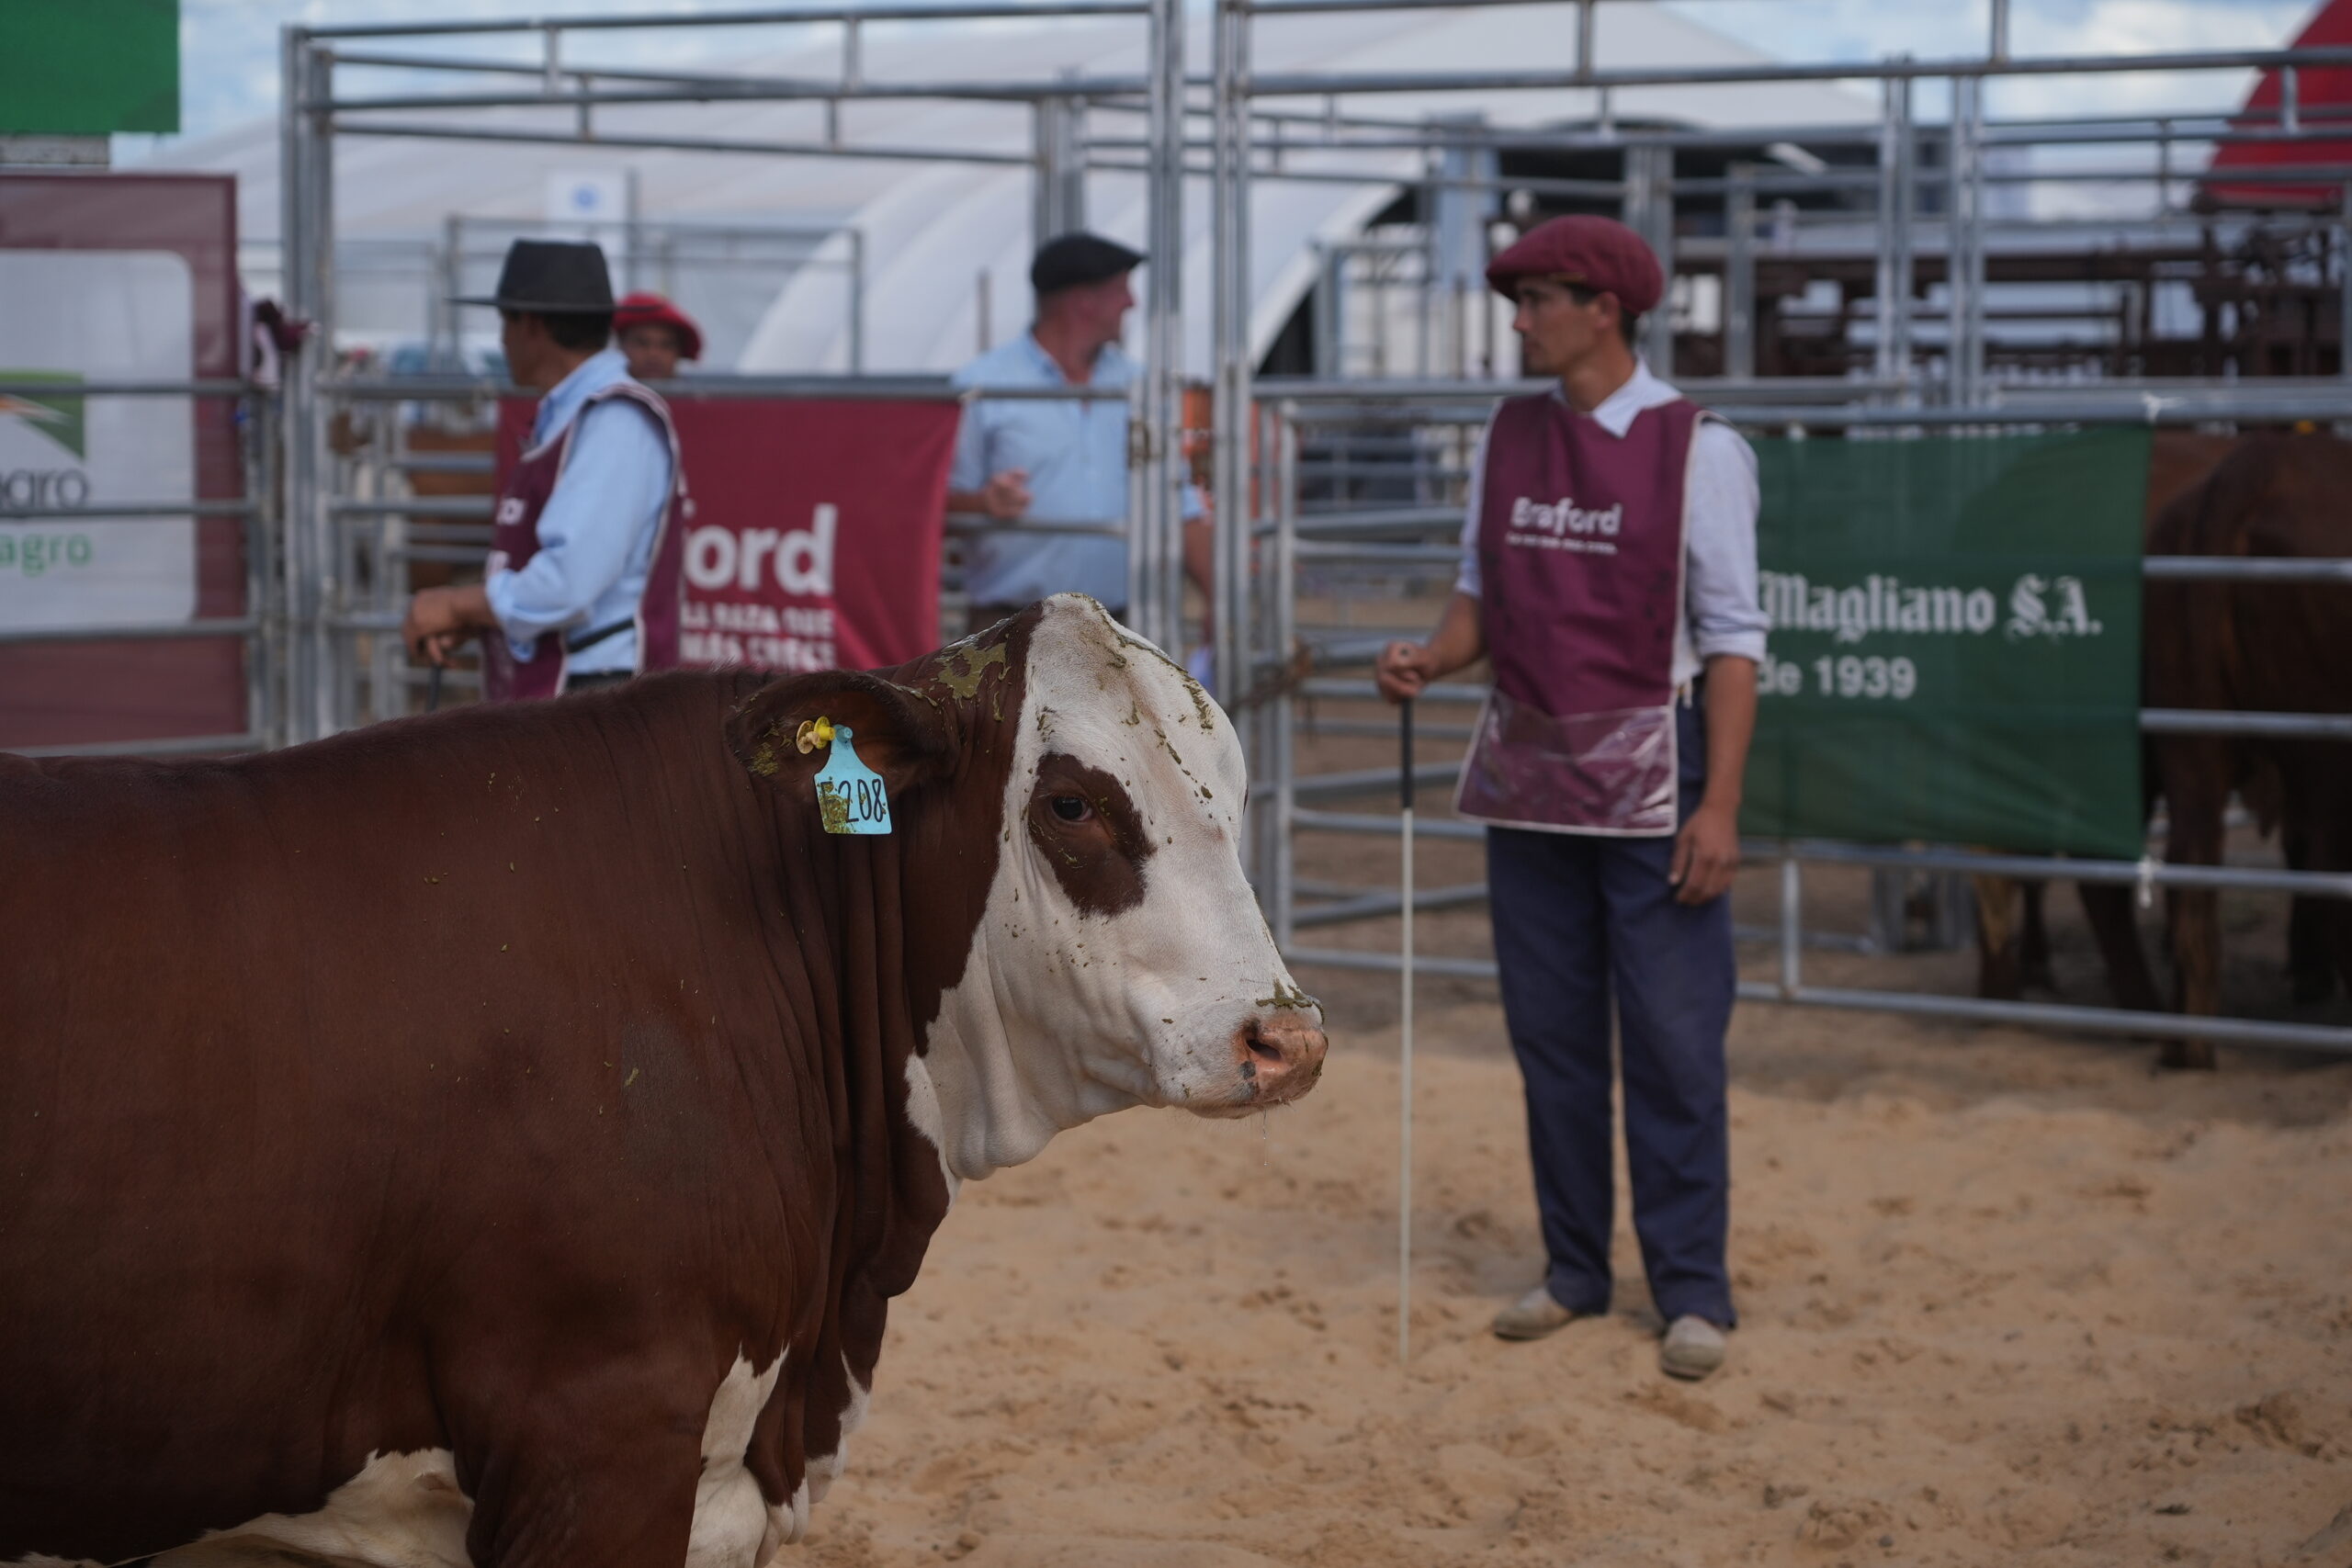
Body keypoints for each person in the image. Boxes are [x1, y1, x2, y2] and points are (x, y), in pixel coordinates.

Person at [1374, 214, 1767, 1382]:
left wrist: (1721, 808)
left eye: (1540, 296)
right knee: (1549, 1038)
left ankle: (1691, 1289)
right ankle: (1574, 1272)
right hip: (1532, 774)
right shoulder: (1506, 439)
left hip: (1662, 769)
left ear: (1606, 309)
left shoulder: (1700, 448)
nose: (1519, 318)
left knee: (1673, 1038)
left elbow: (1735, 643)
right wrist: (1429, 659)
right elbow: (1474, 602)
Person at [401, 240, 684, 700]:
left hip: (597, 696)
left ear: (531, 324)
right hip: (586, 692)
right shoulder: (581, 416)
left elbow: (568, 581)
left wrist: (457, 603)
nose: (502, 340)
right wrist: (479, 616)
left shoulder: (613, 420)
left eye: (505, 321)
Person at [947, 231, 1211, 638]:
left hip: (1121, 630)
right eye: (1121, 290)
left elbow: (1177, 500)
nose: (1132, 303)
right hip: (1013, 632)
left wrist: (1217, 596)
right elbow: (937, 504)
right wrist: (983, 502)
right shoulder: (981, 386)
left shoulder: (1137, 386)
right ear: (1083, 302)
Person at [615, 291, 702, 383]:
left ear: (679, 351)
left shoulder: (698, 395)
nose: (653, 354)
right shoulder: (603, 393)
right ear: (621, 345)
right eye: (642, 343)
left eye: (666, 345)